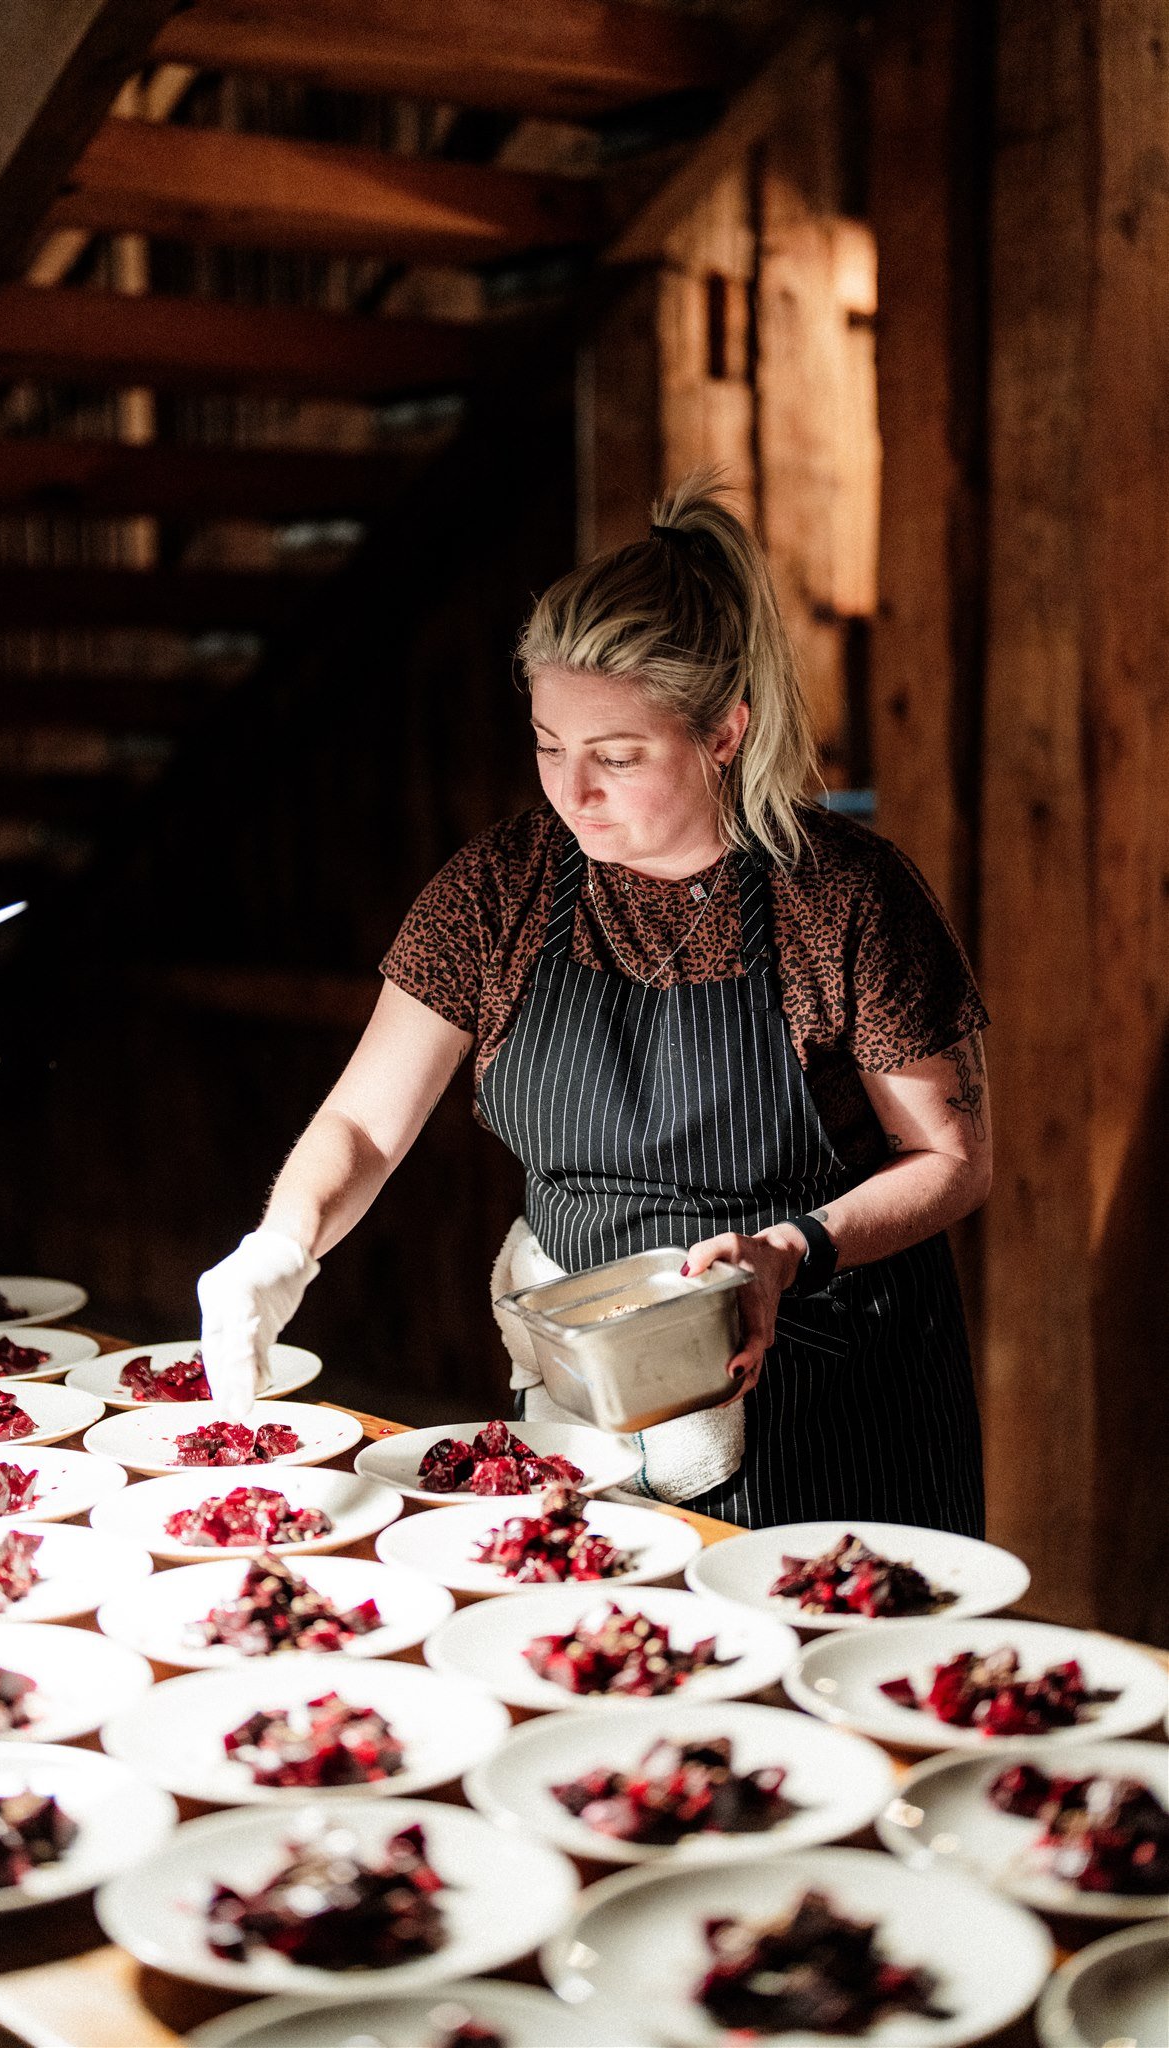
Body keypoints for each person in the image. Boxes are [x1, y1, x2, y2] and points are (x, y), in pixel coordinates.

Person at [198, 473, 990, 1535]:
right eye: (548, 746)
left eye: (616, 757)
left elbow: (950, 1158)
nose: (572, 793)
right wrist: (282, 1245)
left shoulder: (843, 897)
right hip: (586, 1405)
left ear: (723, 731)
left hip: (826, 1400)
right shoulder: (500, 889)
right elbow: (363, 1122)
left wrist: (791, 1247)